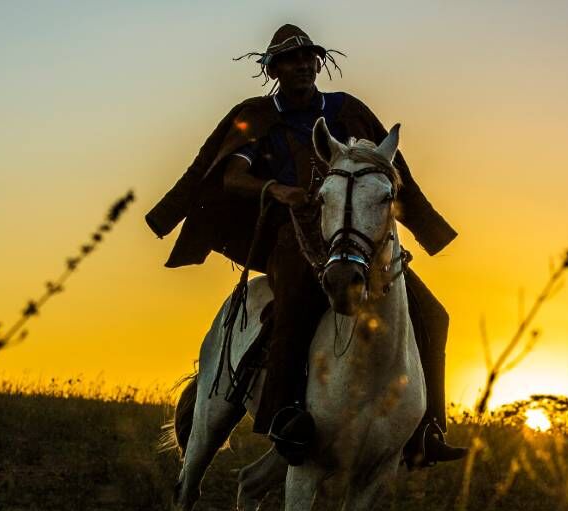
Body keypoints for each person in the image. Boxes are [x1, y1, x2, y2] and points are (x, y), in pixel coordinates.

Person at [146, 24, 465, 468]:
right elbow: (232, 176)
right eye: (291, 60)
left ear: (319, 63)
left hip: (354, 240)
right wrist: (277, 188)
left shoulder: (348, 111)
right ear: (273, 69)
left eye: (309, 58)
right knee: (294, 307)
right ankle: (285, 415)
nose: (303, 65)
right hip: (291, 238)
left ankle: (427, 429)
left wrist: (420, 225)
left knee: (432, 313)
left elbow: (386, 172)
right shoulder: (256, 116)